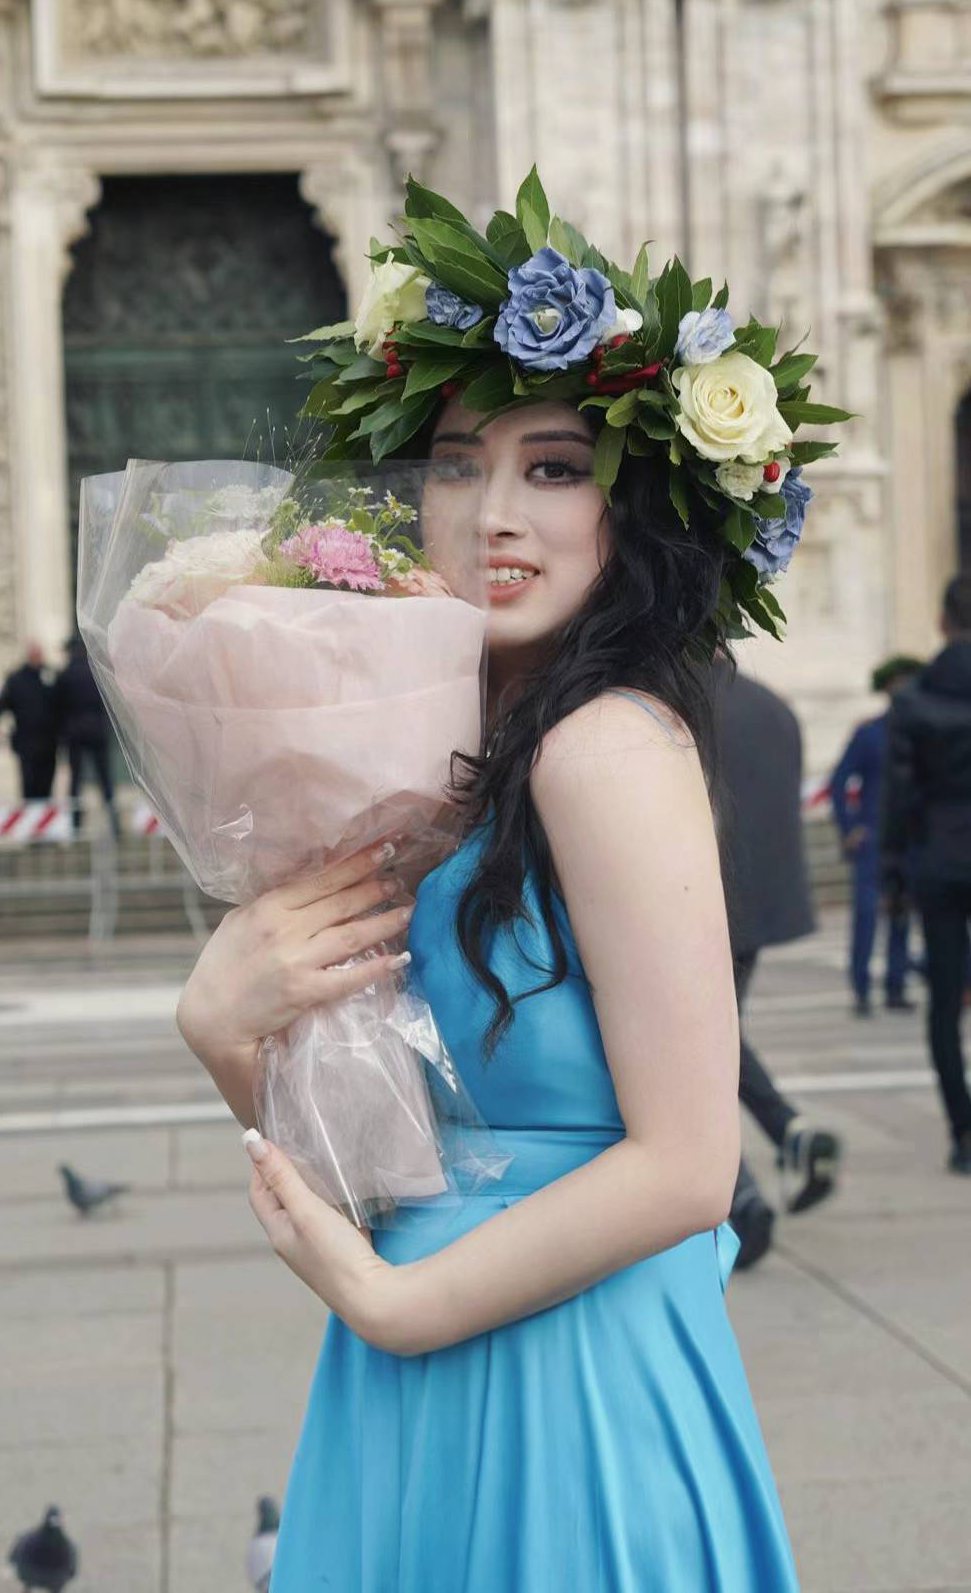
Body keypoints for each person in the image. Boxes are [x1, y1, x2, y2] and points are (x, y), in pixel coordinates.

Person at [174, 173, 844, 1588]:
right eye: (455, 463)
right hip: (432, 1347)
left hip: (561, 1378)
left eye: (553, 468)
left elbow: (688, 1164)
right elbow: (376, 1157)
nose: (492, 513)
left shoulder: (604, 746)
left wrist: (398, 1307)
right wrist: (228, 1030)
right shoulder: (448, 762)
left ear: (634, 507)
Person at [715, 663, 844, 1270]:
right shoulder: (770, 704)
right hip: (758, 906)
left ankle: (740, 1196)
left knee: (693, 1044)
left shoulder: (666, 698)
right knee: (715, 1037)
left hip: (702, 902)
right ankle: (787, 1130)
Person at [882, 575, 971, 1175]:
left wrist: (892, 874)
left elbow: (899, 797)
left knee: (943, 1004)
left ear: (943, 621)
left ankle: (963, 1130)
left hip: (940, 858)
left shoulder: (913, 700)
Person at [831, 655, 923, 1016]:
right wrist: (848, 826)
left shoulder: (923, 731)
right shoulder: (869, 734)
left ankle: (896, 987)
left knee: (902, 913)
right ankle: (861, 989)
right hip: (872, 837)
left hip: (910, 836)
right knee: (867, 916)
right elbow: (840, 780)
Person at [54, 636, 120, 837]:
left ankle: (75, 824)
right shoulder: (95, 672)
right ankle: (114, 823)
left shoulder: (65, 675)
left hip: (75, 734)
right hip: (97, 731)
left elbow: (58, 708)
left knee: (75, 779)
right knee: (105, 778)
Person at [0, 641, 58, 799]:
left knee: (46, 783)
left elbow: (62, 705)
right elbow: (1, 704)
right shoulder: (16, 679)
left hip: (49, 742)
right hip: (26, 742)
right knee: (29, 784)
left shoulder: (51, 676)